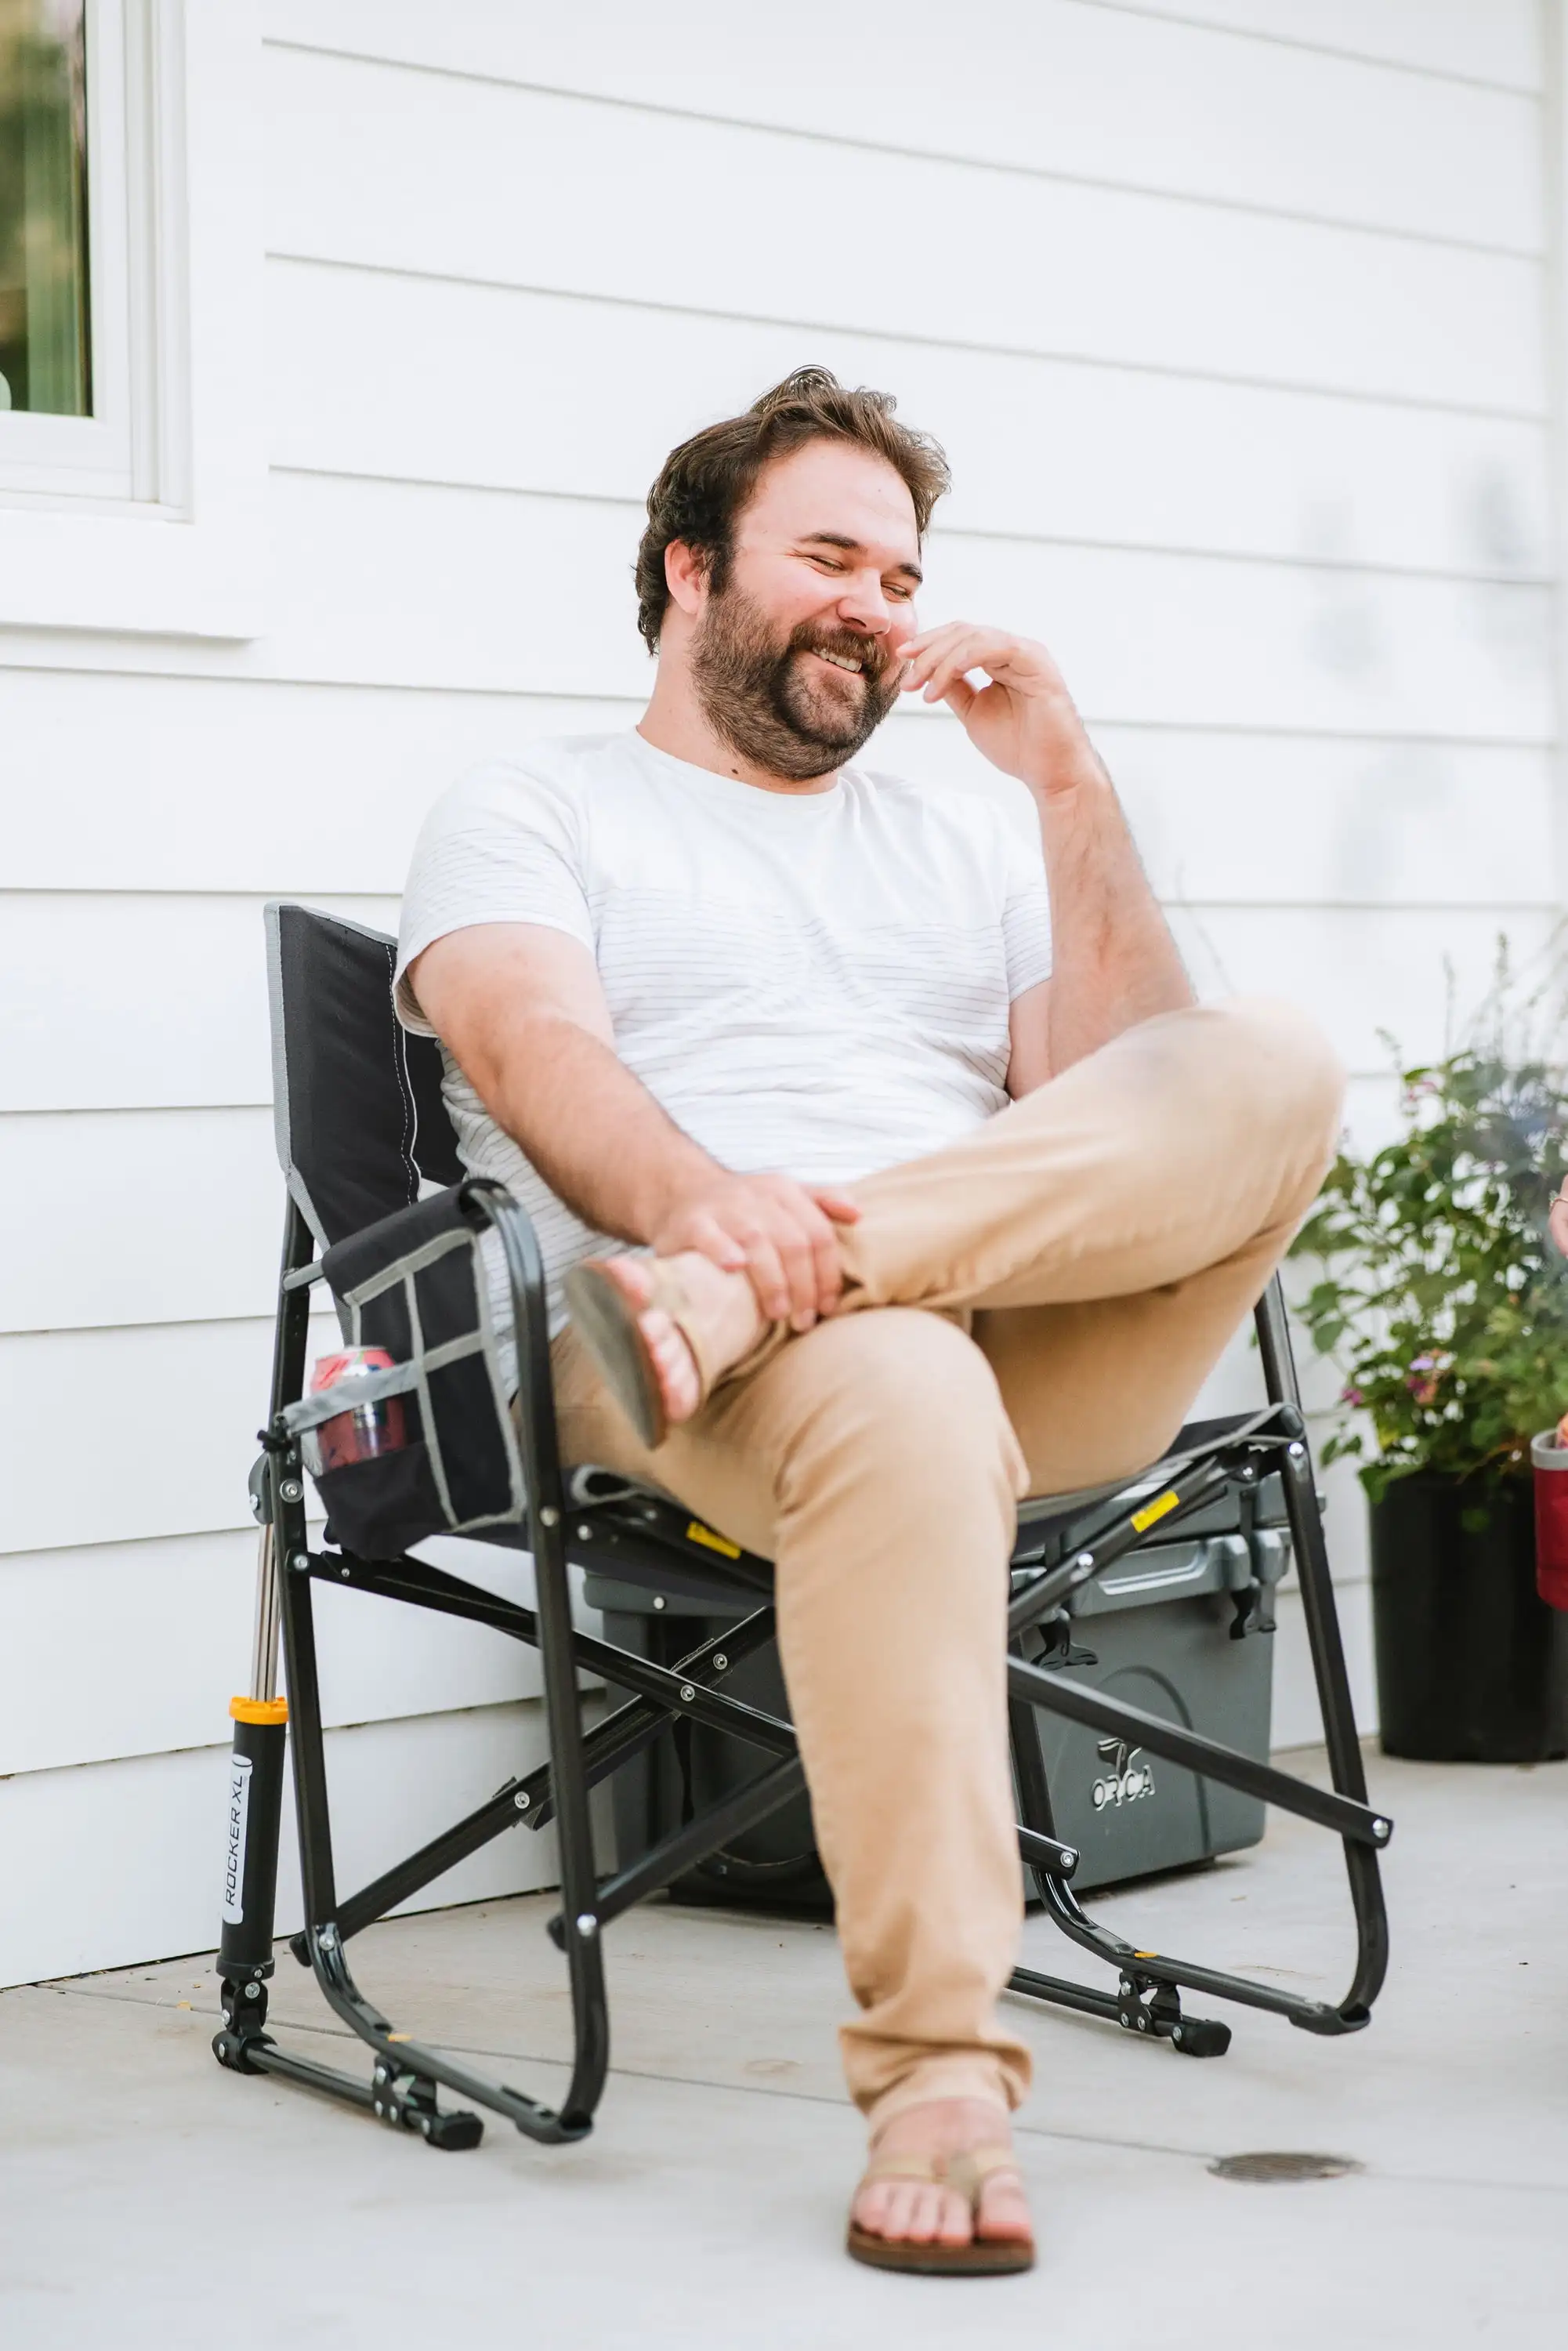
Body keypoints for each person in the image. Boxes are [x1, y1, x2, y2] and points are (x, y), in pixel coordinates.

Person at [395, 368, 1343, 2275]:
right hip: (672, 1345)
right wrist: (700, 1214)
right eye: (826, 556)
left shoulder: (966, 839)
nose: (874, 605)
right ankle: (937, 2081)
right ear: (689, 568)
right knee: (897, 1383)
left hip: (990, 1318)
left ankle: (813, 1269)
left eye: (899, 575)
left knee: (1271, 1060)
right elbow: (532, 1047)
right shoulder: (534, 804)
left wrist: (1064, 784)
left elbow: (1136, 1095)